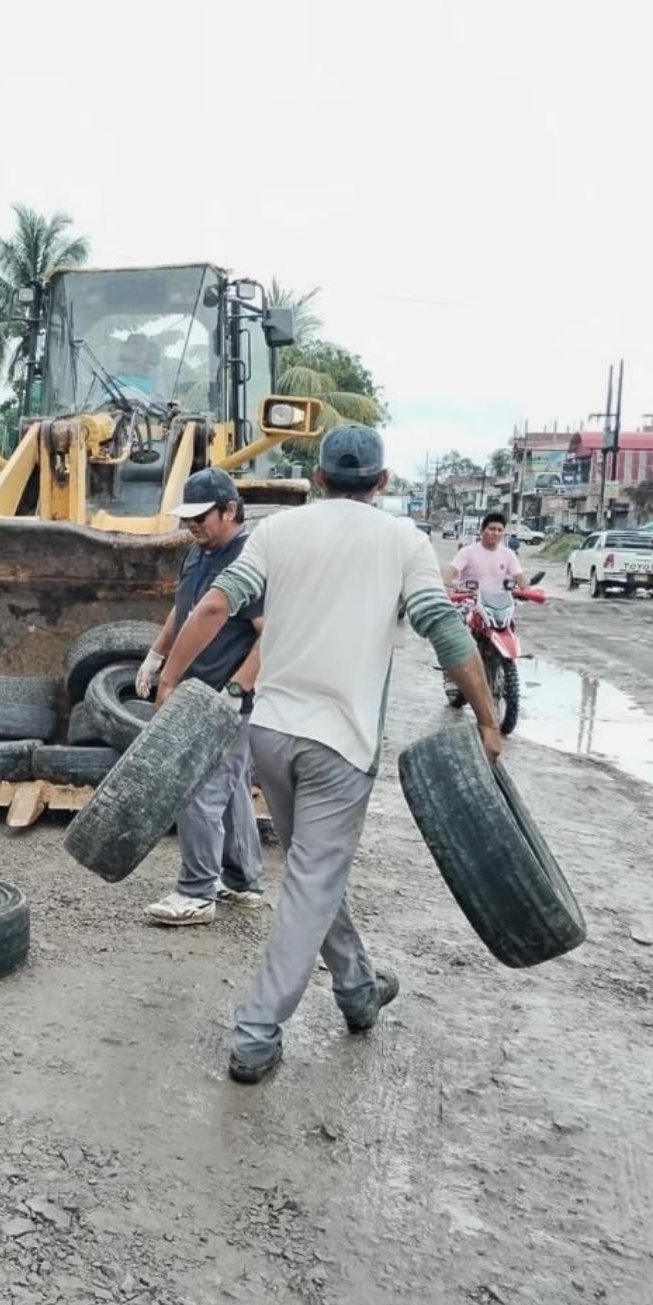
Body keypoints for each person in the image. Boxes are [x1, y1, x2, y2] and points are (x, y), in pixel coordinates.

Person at [157, 426, 503, 1085]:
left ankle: (357, 988)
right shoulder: (404, 542)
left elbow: (213, 605)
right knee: (313, 878)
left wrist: (170, 678)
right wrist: (487, 718)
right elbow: (443, 628)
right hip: (339, 744)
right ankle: (255, 1035)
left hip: (272, 735)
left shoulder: (278, 534)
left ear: (318, 477)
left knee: (316, 871)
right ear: (380, 480)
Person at [134, 467, 265, 927]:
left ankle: (196, 893)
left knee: (199, 790)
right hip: (197, 693)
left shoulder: (251, 562)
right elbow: (184, 607)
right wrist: (157, 653)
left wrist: (237, 690)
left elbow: (271, 637)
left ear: (230, 510)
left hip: (223, 699)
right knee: (228, 792)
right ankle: (243, 880)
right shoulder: (198, 552)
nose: (191, 526)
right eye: (187, 517)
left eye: (200, 517)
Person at [444, 512, 528, 593]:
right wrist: (447, 590)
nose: (495, 533)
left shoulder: (509, 554)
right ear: (482, 531)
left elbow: (520, 578)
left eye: (500, 530)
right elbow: (450, 573)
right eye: (492, 529)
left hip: (498, 603)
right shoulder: (467, 552)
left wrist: (527, 590)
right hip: (470, 602)